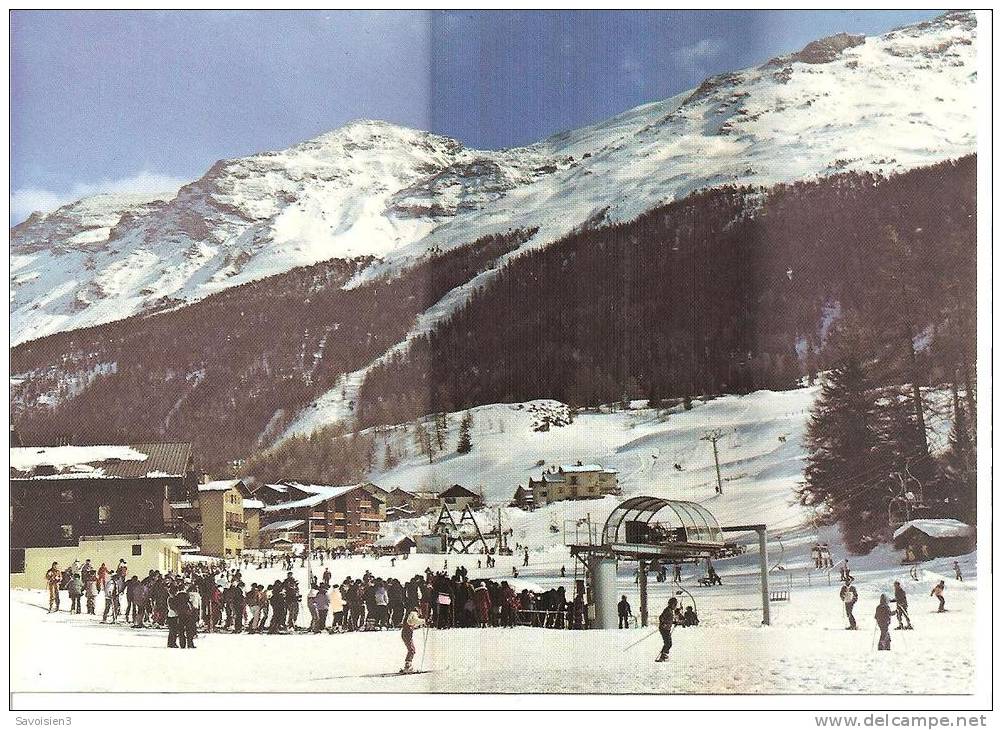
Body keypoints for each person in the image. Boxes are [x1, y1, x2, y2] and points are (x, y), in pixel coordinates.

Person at [400, 604, 426, 673]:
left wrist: (423, 623)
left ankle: (408, 665)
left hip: (406, 633)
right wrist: (424, 621)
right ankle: (408, 666)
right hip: (407, 633)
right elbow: (414, 621)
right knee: (412, 650)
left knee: (411, 649)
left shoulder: (411, 613)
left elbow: (413, 622)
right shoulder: (413, 613)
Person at [655, 598, 677, 662]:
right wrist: (663, 623)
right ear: (671, 604)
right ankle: (663, 656)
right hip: (664, 629)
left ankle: (663, 655)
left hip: (667, 629)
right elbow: (661, 617)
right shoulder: (667, 610)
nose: (675, 606)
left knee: (668, 643)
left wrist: (674, 622)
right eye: (675, 605)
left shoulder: (670, 610)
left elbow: (669, 620)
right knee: (668, 643)